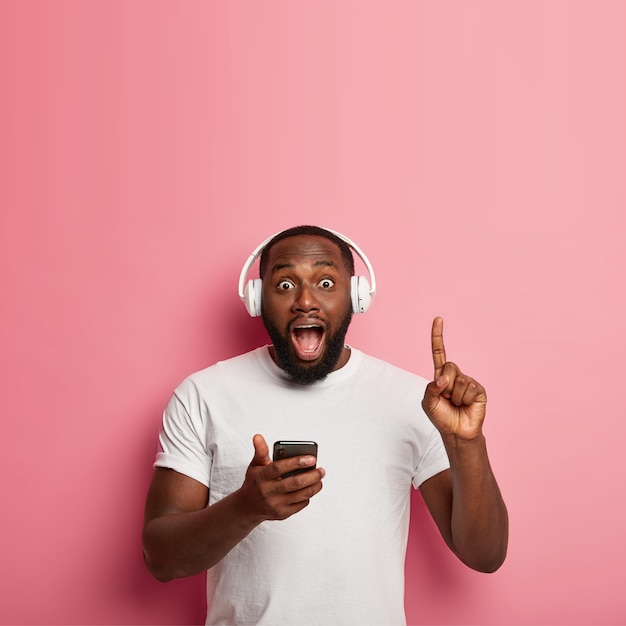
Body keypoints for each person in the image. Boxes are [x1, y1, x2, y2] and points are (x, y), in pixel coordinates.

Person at [142, 225, 508, 626]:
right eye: (284, 284)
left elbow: (484, 555)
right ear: (256, 300)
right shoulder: (203, 395)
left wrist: (466, 443)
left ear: (355, 297)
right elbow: (161, 559)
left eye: (326, 281)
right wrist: (246, 508)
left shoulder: (413, 400)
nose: (304, 301)